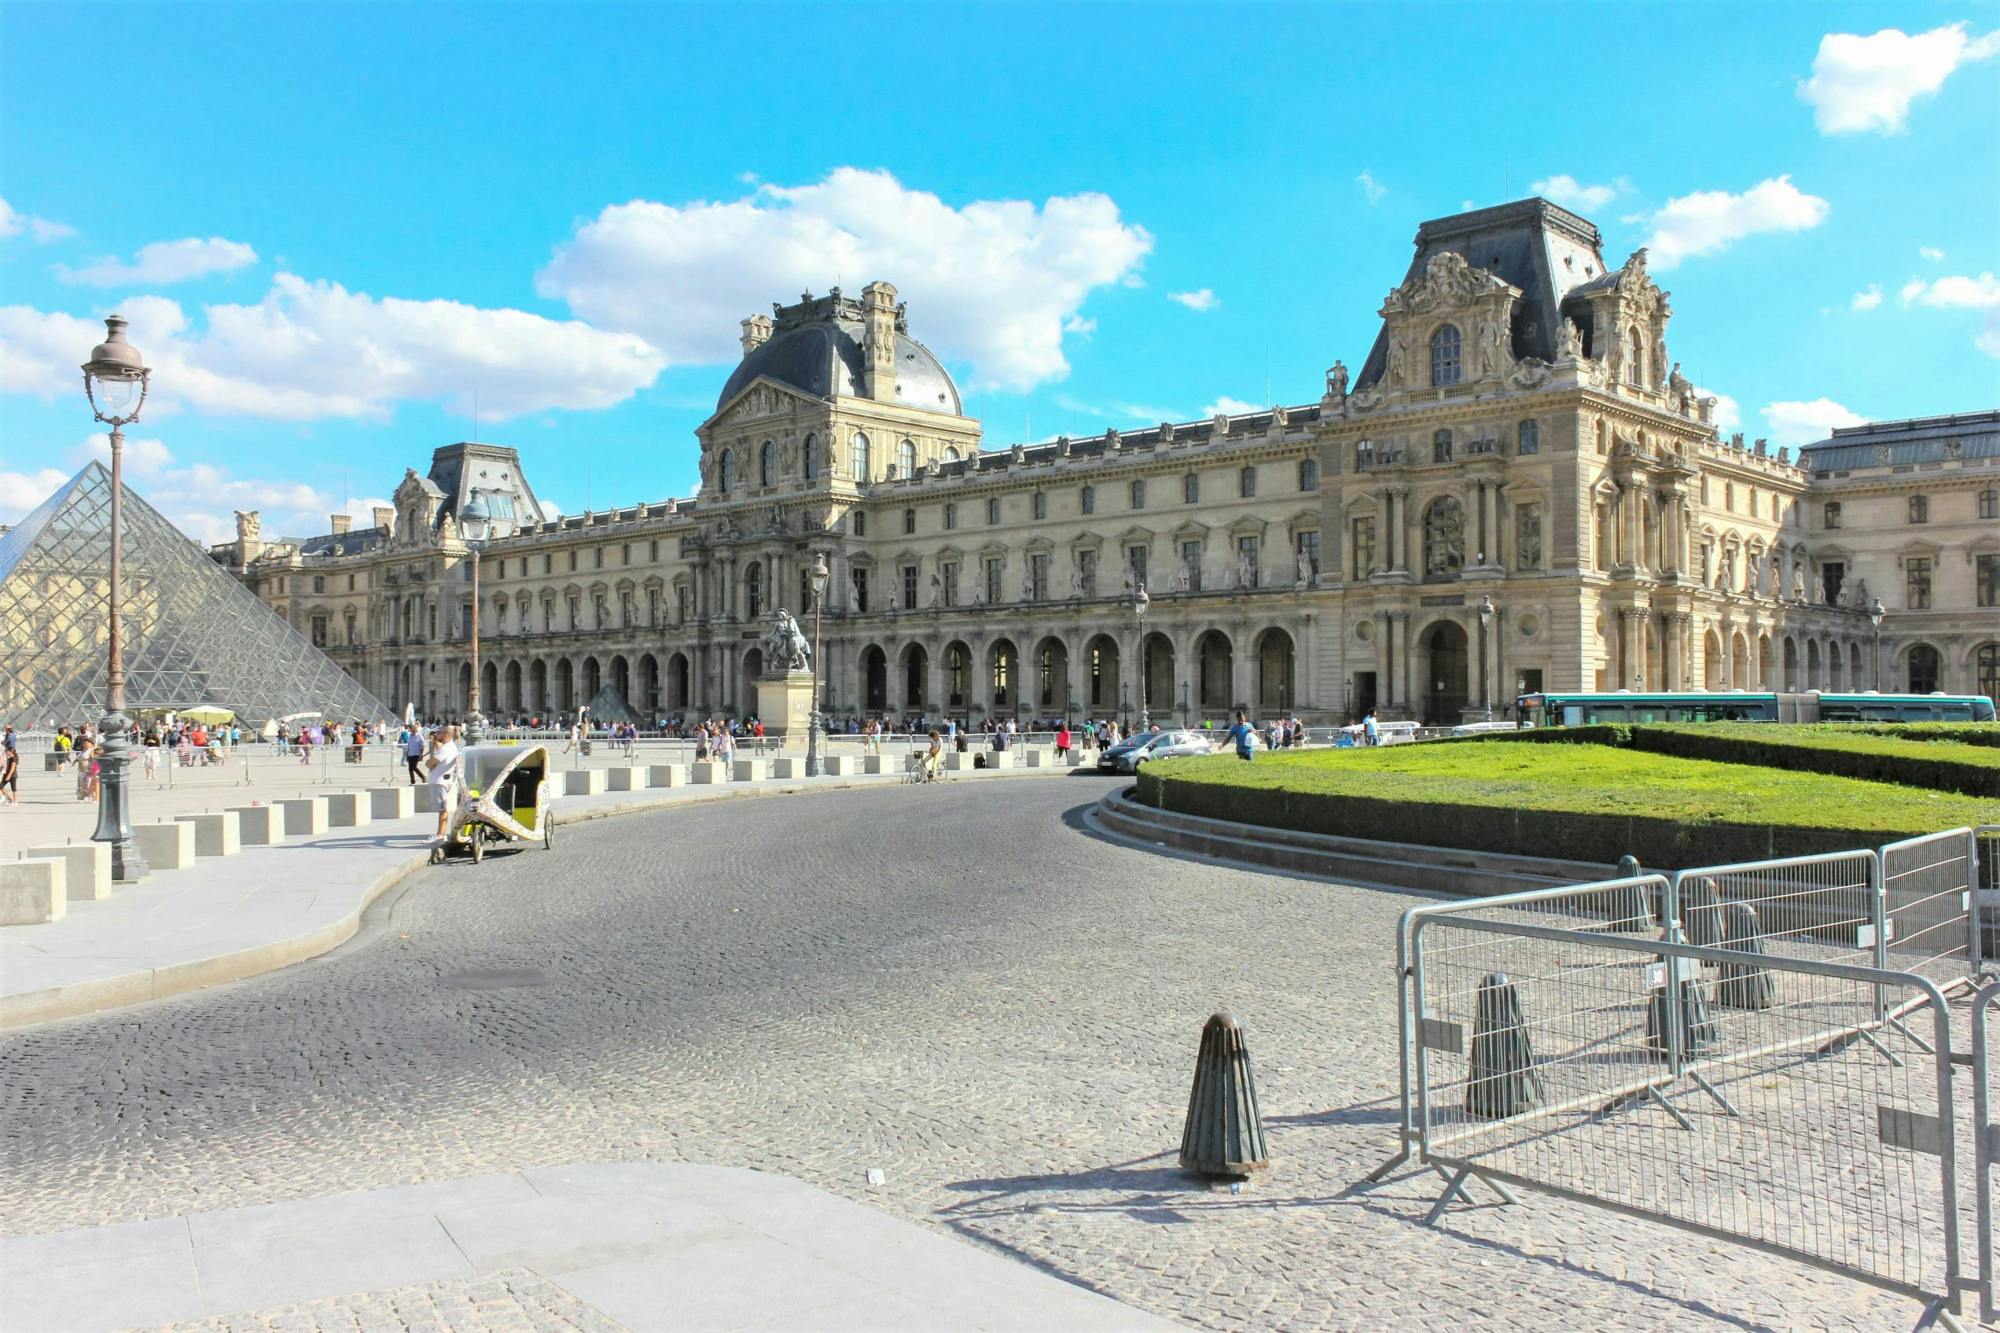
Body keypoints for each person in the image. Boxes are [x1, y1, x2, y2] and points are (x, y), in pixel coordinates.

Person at [426, 726, 462, 846]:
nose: (437, 735)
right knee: (442, 809)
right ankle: (440, 834)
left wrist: (429, 763)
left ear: (446, 734)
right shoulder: (450, 746)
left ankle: (440, 835)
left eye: (439, 733)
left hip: (440, 782)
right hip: (442, 781)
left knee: (442, 809)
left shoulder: (445, 749)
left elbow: (430, 763)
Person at [1, 725, 17, 806]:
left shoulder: (9, 737)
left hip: (11, 773)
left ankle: (13, 800)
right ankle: (10, 799)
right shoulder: (13, 735)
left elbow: (5, 743)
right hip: (11, 751)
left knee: (13, 788)